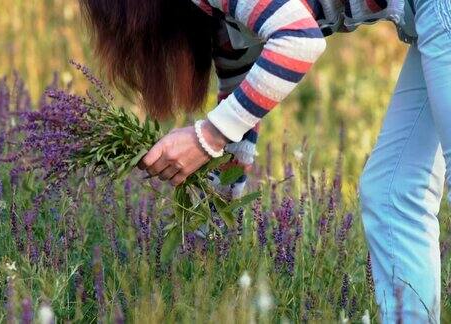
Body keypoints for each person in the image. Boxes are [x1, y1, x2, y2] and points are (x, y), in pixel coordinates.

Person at [80, 0, 451, 322]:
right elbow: (237, 128)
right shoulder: (226, 28)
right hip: (428, 16)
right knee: (391, 194)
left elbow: (299, 38)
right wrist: (206, 238)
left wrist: (204, 136)